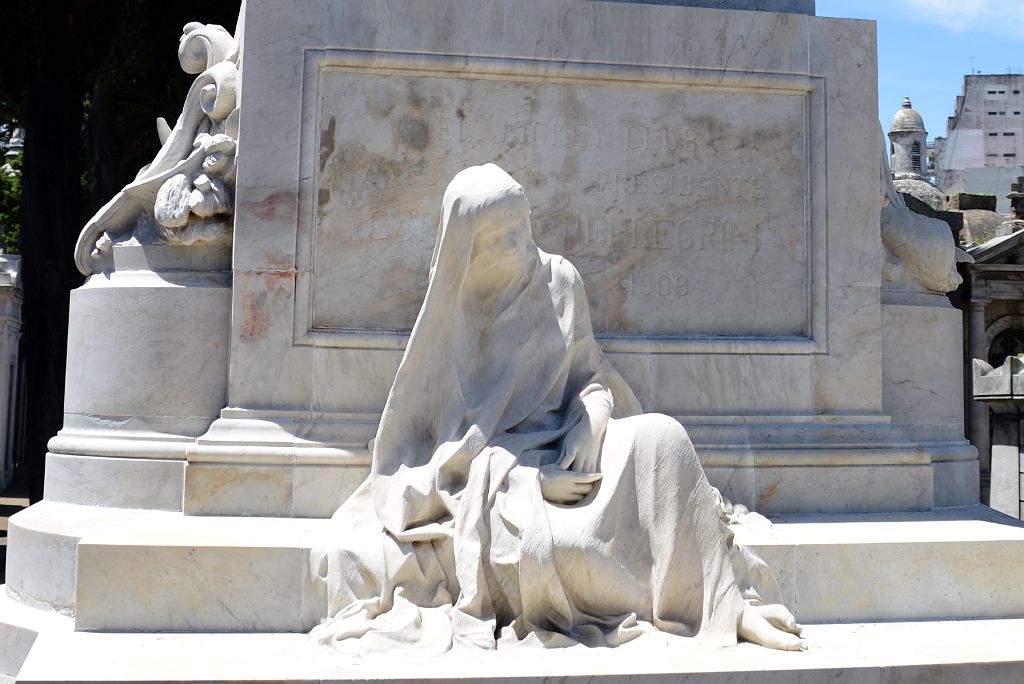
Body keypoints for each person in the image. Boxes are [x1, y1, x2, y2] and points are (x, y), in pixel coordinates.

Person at [312, 163, 804, 653]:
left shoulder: (559, 280)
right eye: (499, 236)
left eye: (521, 224)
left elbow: (590, 378)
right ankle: (689, 605)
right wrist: (529, 481)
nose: (518, 243)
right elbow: (438, 464)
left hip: (574, 447)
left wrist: (592, 422)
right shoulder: (451, 322)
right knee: (574, 548)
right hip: (507, 486)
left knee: (662, 435)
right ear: (468, 248)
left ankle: (727, 607)